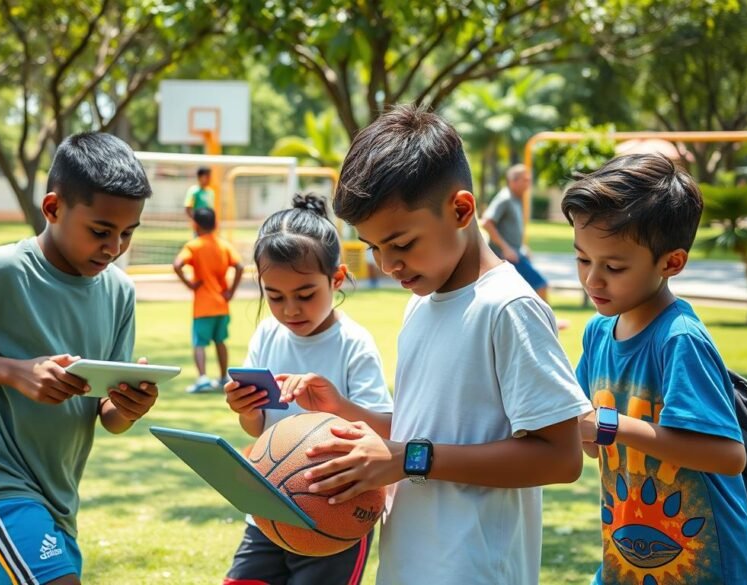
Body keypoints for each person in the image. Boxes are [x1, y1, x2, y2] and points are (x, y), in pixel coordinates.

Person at [275, 105, 591, 584]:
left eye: (401, 243)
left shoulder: (507, 307)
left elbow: (560, 456)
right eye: (375, 247)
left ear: (461, 210)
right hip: (410, 564)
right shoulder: (421, 303)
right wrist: (347, 411)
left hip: (476, 570)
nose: (387, 264)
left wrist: (408, 459)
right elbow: (427, 431)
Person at [0, 132, 161, 585]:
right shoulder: (1, 272)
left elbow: (108, 414)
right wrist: (15, 372)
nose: (114, 247)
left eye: (127, 234)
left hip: (59, 493)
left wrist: (128, 408)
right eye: (101, 231)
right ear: (53, 208)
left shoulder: (120, 293)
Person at [561, 153, 747, 584]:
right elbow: (589, 441)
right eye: (582, 260)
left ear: (671, 263)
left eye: (613, 267)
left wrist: (609, 426)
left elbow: (728, 456)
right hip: (628, 560)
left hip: (705, 570)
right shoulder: (598, 334)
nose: (593, 280)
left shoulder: (679, 339)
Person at [222, 192, 393, 585]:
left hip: (336, 512)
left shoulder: (354, 342)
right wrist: (245, 409)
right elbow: (257, 428)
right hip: (268, 508)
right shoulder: (267, 334)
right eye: (275, 297)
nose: (290, 310)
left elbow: (385, 429)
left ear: (335, 279)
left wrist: (337, 405)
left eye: (305, 295)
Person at [173, 207, 244, 393]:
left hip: (203, 305)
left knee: (199, 343)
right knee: (220, 341)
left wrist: (189, 284)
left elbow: (177, 265)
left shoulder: (194, 246)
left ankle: (203, 378)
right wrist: (231, 291)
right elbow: (240, 266)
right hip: (221, 304)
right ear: (215, 224)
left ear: (195, 224)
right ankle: (222, 378)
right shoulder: (224, 245)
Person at [481, 164, 550, 301]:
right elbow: (486, 222)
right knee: (540, 285)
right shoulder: (505, 198)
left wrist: (522, 248)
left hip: (516, 254)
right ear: (513, 181)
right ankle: (548, 322)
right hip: (507, 257)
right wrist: (506, 248)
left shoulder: (515, 199)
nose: (528, 184)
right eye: (525, 180)